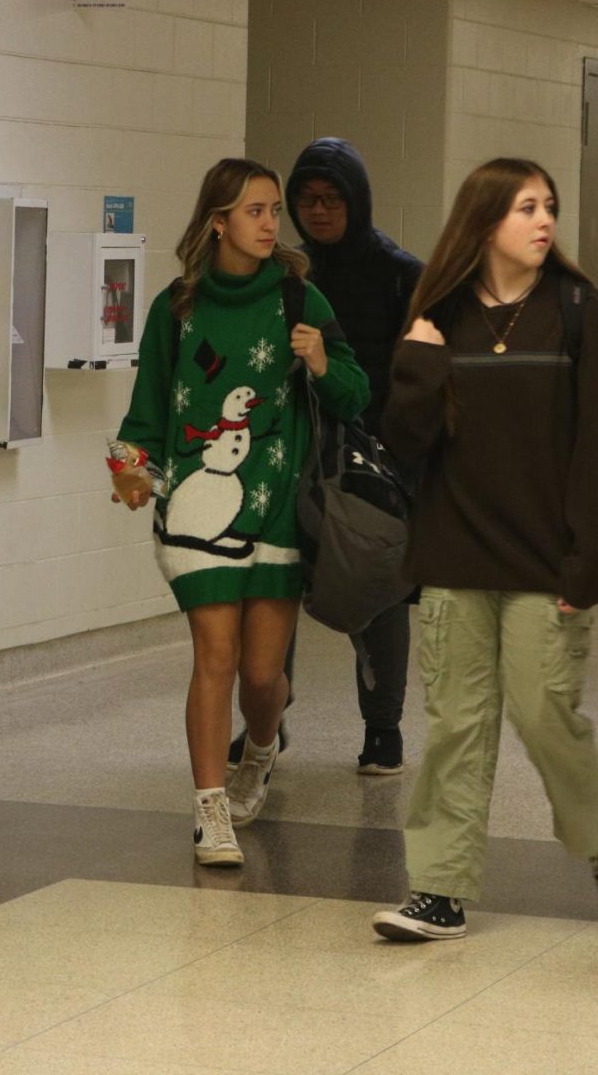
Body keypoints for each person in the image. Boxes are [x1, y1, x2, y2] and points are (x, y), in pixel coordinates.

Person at [110, 157, 368, 866]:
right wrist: (131, 472)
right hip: (195, 515)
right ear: (218, 221)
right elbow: (146, 416)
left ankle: (259, 749)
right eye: (255, 210)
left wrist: (321, 362)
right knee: (214, 658)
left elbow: (356, 392)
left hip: (278, 508)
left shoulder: (298, 301)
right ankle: (210, 808)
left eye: (273, 211)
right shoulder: (177, 308)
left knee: (262, 677)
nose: (270, 224)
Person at [371, 158, 598, 941]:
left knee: (545, 714)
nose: (544, 222)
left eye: (550, 208)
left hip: (546, 563)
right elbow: (404, 443)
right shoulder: (441, 314)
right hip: (454, 559)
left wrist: (586, 562)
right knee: (456, 726)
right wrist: (419, 364)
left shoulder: (576, 309)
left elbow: (594, 449)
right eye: (527, 208)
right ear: (485, 221)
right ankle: (439, 887)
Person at [232, 137, 422, 775]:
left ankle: (384, 728)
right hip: (295, 452)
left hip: (375, 455)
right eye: (306, 200)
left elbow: (422, 369)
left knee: (377, 587)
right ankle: (267, 721)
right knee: (275, 582)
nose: (317, 211)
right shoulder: (286, 272)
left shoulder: (401, 272)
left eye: (331, 198)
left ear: (356, 201)